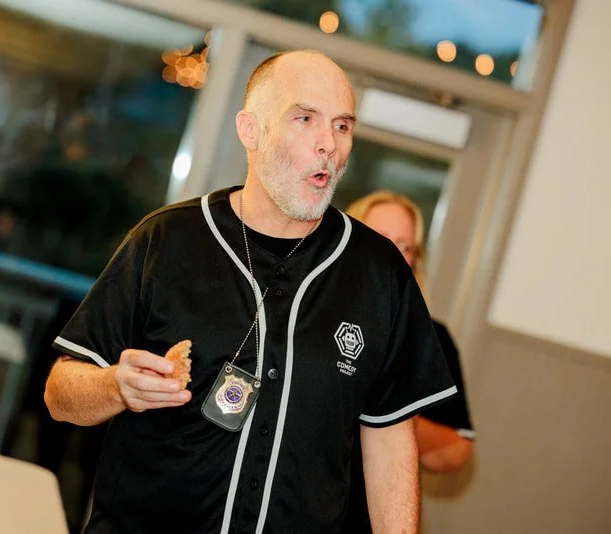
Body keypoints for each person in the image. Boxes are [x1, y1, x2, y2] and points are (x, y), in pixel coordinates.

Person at [44, 50, 456, 533]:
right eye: (305, 119)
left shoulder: (380, 272)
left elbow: (388, 440)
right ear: (250, 130)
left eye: (342, 126)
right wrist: (116, 385)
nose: (328, 144)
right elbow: (59, 393)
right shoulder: (166, 240)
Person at [344, 190, 476, 531]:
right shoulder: (308, 317)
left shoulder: (430, 337)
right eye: (381, 240)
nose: (394, 257)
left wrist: (391, 412)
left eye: (405, 247)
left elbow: (454, 453)